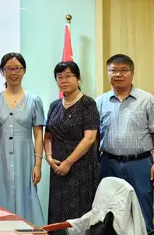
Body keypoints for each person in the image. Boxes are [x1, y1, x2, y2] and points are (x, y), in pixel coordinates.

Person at [97, 54, 154, 232]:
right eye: (113, 70)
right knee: (109, 213)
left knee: (143, 213)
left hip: (140, 164)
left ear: (132, 73)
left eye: (124, 70)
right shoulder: (100, 102)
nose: (118, 74)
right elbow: (94, 136)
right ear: (108, 73)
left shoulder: (147, 100)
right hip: (108, 163)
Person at [0, 52, 45, 227]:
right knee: (1, 197)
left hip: (25, 159)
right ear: (2, 71)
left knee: (26, 196)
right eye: (9, 69)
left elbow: (38, 135)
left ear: (24, 70)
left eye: (17, 68)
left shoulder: (34, 100)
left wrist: (37, 165)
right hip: (1, 159)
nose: (13, 73)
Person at [45, 61, 100, 225]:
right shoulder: (54, 105)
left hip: (80, 168)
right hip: (57, 168)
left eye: (68, 76)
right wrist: (48, 157)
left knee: (78, 216)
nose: (63, 80)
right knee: (57, 214)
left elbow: (89, 138)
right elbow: (48, 135)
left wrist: (68, 162)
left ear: (78, 79)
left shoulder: (88, 104)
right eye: (59, 77)